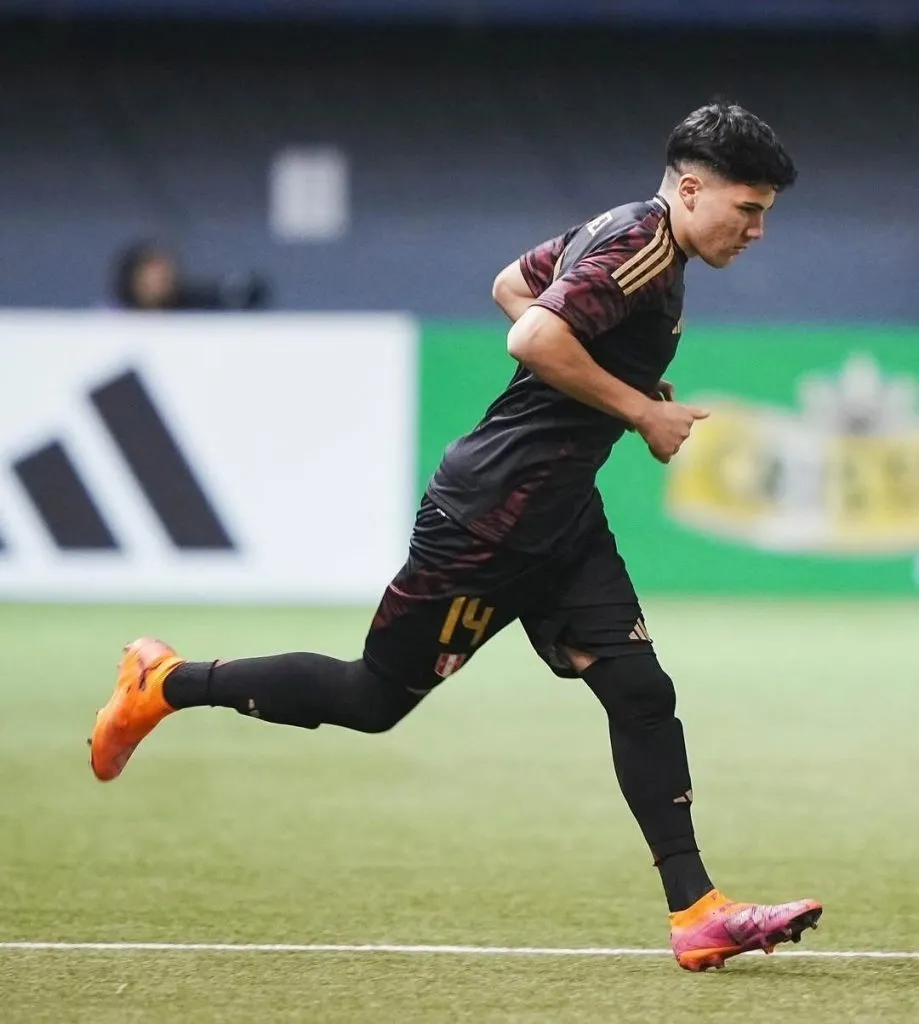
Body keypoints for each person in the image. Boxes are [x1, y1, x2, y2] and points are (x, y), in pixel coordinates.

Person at [89, 101, 822, 972]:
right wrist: (636, 410)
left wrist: (620, 376)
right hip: (488, 522)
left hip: (559, 520)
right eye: (748, 209)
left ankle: (696, 913)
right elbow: (532, 329)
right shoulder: (640, 247)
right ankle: (164, 683)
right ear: (692, 189)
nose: (758, 230)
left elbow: (511, 282)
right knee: (370, 700)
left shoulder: (625, 231)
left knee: (640, 694)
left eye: (765, 212)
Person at [111, 240, 270, 311]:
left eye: (165, 276)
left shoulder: (188, 313)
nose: (160, 281)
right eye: (151, 276)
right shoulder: (112, 319)